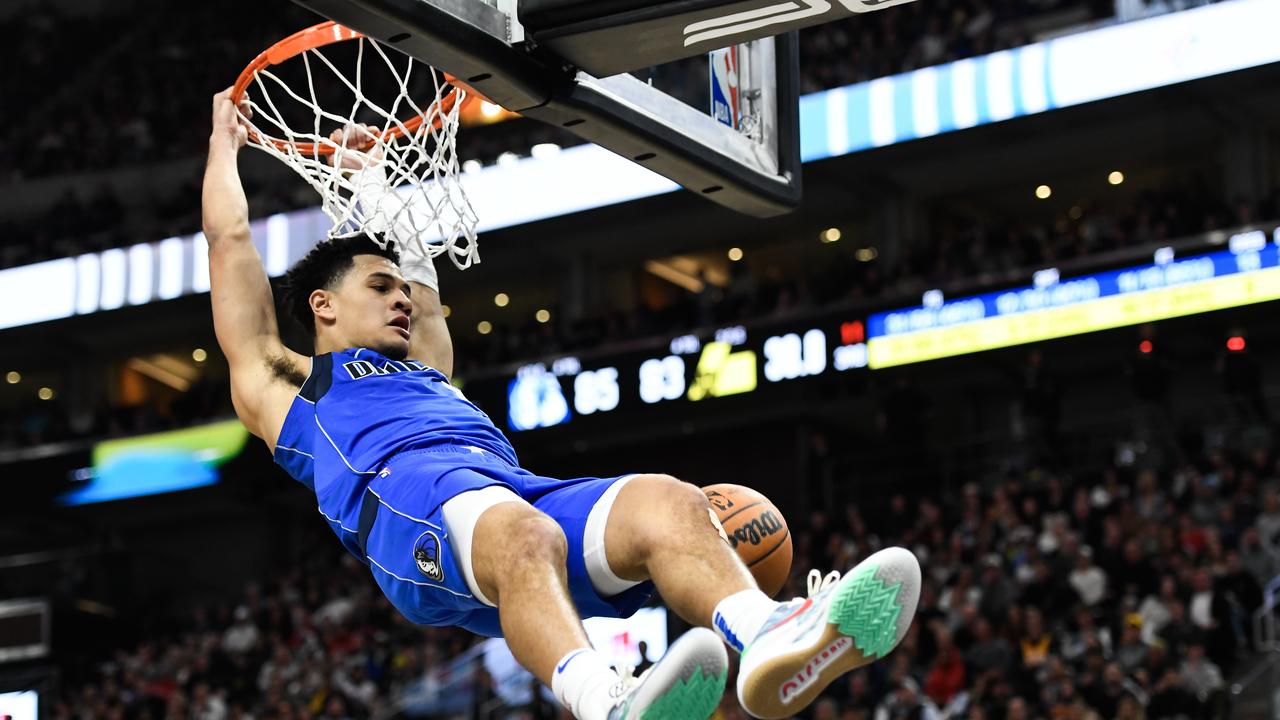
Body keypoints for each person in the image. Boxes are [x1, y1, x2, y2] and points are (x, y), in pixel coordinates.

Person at [201, 88, 921, 720]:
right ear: (322, 306)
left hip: (508, 494)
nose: (400, 299)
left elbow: (425, 290)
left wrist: (378, 187)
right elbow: (230, 241)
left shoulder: (428, 367)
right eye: (379, 287)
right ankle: (605, 702)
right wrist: (223, 148)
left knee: (667, 502)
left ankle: (767, 634)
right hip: (408, 509)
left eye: (399, 288)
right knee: (523, 534)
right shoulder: (285, 383)